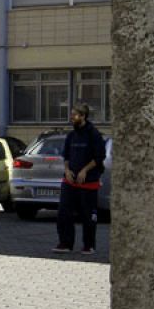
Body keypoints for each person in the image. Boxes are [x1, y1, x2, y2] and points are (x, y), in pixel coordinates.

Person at [55, 102, 108, 255]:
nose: (71, 117)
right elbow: (66, 156)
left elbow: (99, 157)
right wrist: (67, 170)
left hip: (88, 182)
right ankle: (65, 243)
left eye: (74, 115)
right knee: (64, 213)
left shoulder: (94, 135)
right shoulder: (71, 135)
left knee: (88, 215)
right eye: (71, 114)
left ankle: (88, 245)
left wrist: (84, 170)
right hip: (70, 182)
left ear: (83, 116)